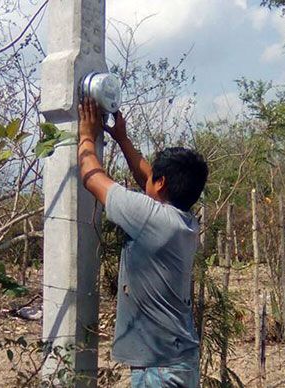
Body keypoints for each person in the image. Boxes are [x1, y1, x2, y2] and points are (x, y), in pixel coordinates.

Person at [78, 97, 208, 388]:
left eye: (155, 179)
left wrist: (86, 133)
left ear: (161, 184)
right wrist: (122, 138)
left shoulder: (151, 218)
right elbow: (149, 177)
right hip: (178, 359)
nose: (146, 180)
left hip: (159, 368)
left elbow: (92, 177)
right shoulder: (184, 220)